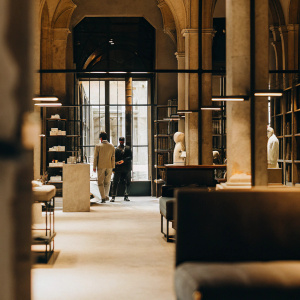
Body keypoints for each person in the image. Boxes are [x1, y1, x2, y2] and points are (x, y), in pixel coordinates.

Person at [93, 132, 115, 203]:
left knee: (100, 182)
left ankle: (102, 197)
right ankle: (106, 196)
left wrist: (94, 166)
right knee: (107, 182)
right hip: (109, 166)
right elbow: (113, 157)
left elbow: (95, 157)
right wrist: (113, 167)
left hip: (101, 166)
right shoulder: (111, 146)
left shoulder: (98, 146)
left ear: (101, 138)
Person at [110, 137, 132, 202]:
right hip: (118, 168)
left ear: (124, 141)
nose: (121, 142)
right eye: (121, 141)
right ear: (119, 141)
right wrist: (114, 166)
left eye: (122, 141)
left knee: (127, 182)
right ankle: (113, 196)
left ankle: (126, 195)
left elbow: (130, 157)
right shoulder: (116, 149)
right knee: (115, 182)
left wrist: (123, 161)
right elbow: (114, 159)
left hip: (126, 168)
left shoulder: (127, 148)